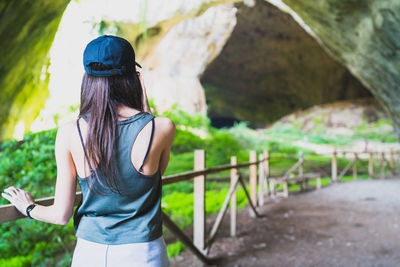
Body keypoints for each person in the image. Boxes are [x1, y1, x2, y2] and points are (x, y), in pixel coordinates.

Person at [1, 35, 176, 266]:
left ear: (88, 79)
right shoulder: (161, 127)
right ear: (134, 77)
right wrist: (144, 107)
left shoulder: (69, 132)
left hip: (90, 253)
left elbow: (60, 215)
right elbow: (156, 176)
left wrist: (28, 207)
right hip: (144, 252)